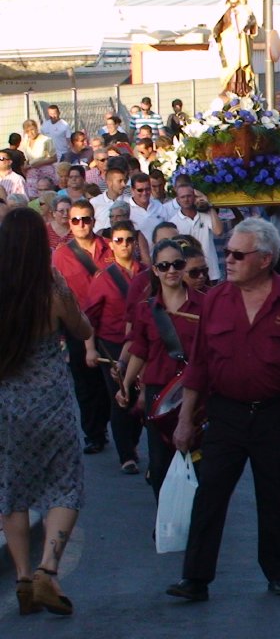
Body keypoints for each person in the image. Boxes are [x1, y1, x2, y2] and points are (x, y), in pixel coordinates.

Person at [167, 218, 280, 601]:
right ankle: (195, 578)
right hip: (226, 413)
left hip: (278, 413)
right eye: (227, 253)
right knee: (210, 494)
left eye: (237, 255)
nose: (228, 260)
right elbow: (199, 365)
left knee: (279, 496)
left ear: (264, 259)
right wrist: (185, 419)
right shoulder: (216, 300)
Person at [0, 209, 93, 617]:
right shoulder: (52, 288)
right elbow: (83, 330)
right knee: (65, 485)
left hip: (7, 404)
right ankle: (47, 569)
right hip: (51, 401)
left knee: (10, 489)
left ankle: (23, 576)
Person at [120, 239, 205, 500]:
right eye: (164, 266)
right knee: (160, 464)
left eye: (177, 264)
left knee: (197, 460)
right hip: (159, 393)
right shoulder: (146, 309)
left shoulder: (205, 304)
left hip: (196, 392)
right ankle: (166, 515)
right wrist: (126, 385)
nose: (172, 270)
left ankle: (195, 518)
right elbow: (140, 350)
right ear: (155, 270)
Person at [82, 221, 145, 474]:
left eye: (129, 239)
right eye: (119, 240)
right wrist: (90, 349)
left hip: (142, 345)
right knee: (120, 396)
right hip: (112, 344)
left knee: (139, 398)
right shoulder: (103, 278)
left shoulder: (147, 273)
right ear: (111, 244)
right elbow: (90, 317)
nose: (124, 245)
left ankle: (133, 442)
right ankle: (126, 455)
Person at [53, 199, 114, 454]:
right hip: (77, 325)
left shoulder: (109, 247)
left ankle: (114, 429)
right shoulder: (61, 255)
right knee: (86, 384)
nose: (81, 224)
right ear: (70, 223)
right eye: (75, 220)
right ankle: (93, 434)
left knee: (110, 382)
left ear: (93, 221)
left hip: (109, 322)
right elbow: (56, 293)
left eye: (85, 219)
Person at [169, 183, 224, 283]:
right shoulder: (173, 222)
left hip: (210, 271)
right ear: (178, 199)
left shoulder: (206, 215)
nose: (186, 199)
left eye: (189, 196)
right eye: (182, 197)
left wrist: (208, 205)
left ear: (194, 197)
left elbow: (219, 231)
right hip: (189, 274)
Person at [22, 119, 58, 199]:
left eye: (32, 129)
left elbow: (54, 158)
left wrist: (38, 163)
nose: (31, 133)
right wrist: (25, 166)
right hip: (32, 173)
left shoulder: (46, 140)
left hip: (45, 172)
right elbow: (28, 158)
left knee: (47, 196)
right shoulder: (26, 141)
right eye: (27, 131)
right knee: (33, 197)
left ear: (36, 128)